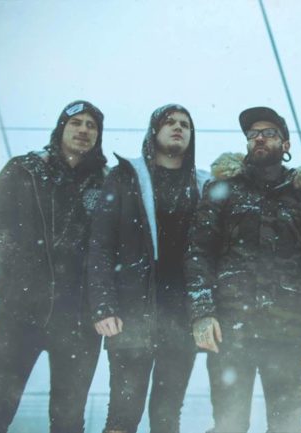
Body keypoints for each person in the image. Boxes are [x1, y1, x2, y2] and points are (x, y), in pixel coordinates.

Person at [185, 106, 301, 433]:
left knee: (287, 427)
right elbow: (199, 253)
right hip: (230, 328)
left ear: (286, 144)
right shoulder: (222, 191)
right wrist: (202, 312)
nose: (260, 138)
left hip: (288, 329)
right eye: (253, 134)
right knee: (228, 426)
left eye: (269, 133)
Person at [0, 100, 107, 433]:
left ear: (98, 135)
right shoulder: (26, 170)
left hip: (80, 316)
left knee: (68, 420)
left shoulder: (108, 183)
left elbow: (119, 243)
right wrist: (14, 265)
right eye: (76, 122)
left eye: (91, 125)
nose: (83, 130)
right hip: (21, 309)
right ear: (61, 128)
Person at [87, 104, 209, 433]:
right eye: (169, 122)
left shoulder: (203, 185)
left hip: (180, 317)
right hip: (131, 314)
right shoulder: (125, 177)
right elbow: (100, 245)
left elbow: (213, 253)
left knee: (167, 417)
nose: (178, 127)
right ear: (154, 131)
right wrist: (103, 304)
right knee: (123, 416)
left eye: (185, 124)